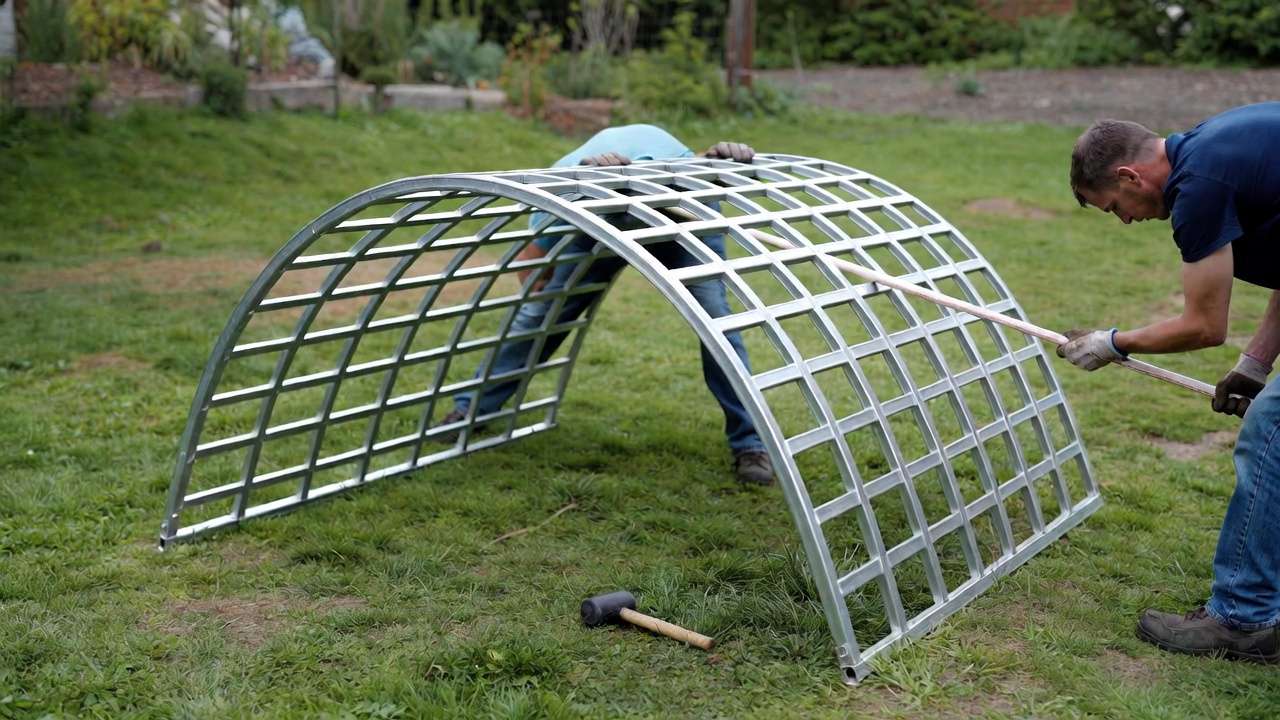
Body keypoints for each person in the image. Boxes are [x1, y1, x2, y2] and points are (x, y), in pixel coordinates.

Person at [1060, 103, 1280, 663]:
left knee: (1271, 429)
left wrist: (1113, 343)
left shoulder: (1198, 186)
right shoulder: (1215, 148)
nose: (1126, 220)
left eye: (1114, 207)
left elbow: (1205, 326)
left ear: (1129, 177)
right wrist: (1257, 362)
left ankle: (1243, 620)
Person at [437, 124, 774, 485]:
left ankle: (751, 444)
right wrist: (545, 294)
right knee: (540, 314)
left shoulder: (563, 207)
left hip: (679, 205)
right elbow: (535, 290)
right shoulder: (556, 206)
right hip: (600, 210)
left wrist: (718, 156)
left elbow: (695, 163)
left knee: (716, 323)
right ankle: (471, 408)